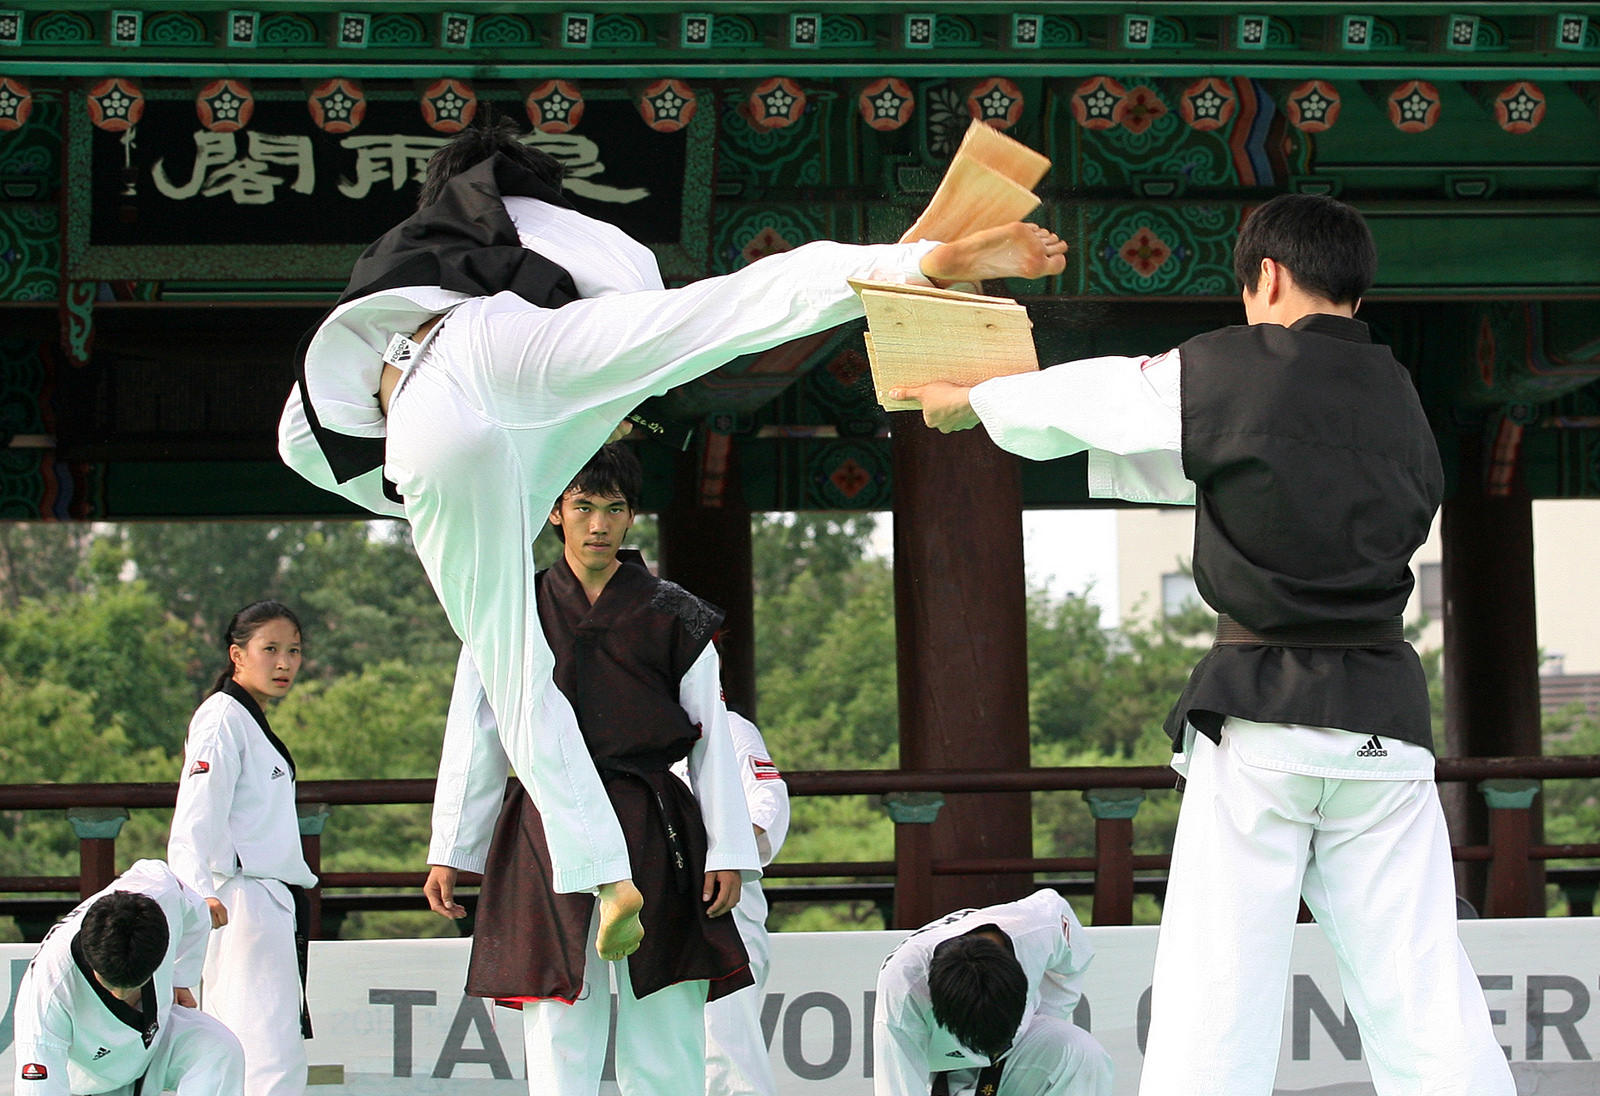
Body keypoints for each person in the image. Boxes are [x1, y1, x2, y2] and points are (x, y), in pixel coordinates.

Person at [278, 115, 1066, 961]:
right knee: (721, 312)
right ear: (539, 184)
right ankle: (911, 264)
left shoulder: (400, 253)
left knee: (508, 667)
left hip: (421, 412)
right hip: (515, 349)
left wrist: (414, 498)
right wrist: (614, 393)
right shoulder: (579, 231)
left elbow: (299, 437)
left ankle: (603, 875)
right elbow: (659, 318)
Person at [892, 194, 1514, 1096]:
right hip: (1386, 724)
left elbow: (1117, 394)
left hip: (1265, 716)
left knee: (1218, 986)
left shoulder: (1241, 367)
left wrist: (971, 401)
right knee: (1422, 987)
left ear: (1268, 275)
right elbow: (1227, 457)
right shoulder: (1403, 400)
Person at [424, 442, 758, 1096]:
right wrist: (452, 849)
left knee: (664, 1013)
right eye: (583, 507)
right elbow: (477, 729)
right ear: (555, 512)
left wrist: (728, 850)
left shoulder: (678, 612)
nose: (598, 524)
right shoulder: (510, 607)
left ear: (632, 516)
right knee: (558, 1018)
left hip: (652, 818)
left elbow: (713, 738)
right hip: (546, 822)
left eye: (613, 508)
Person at [167, 601, 318, 1096]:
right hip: (240, 900)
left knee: (251, 1051)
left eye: (293, 651)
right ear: (237, 655)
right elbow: (194, 820)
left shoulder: (245, 720)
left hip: (261, 900)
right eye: (270, 649)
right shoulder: (222, 719)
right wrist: (197, 899)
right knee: (266, 1055)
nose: (284, 663)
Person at [10, 858, 245, 1096]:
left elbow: (197, 914)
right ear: (89, 959)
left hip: (155, 1046)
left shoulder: (162, 892)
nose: (120, 995)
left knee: (218, 1049)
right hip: (88, 1083)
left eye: (133, 986)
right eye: (109, 984)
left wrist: (181, 978)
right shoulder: (48, 991)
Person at [873, 889, 1111, 1096]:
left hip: (1017, 1045)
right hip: (943, 1071)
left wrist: (1039, 1017)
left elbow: (1074, 960)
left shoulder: (1039, 926)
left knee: (1081, 1054)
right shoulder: (903, 987)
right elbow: (898, 1088)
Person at [673, 709, 791, 1096]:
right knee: (670, 1053)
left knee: (726, 1050)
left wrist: (722, 855)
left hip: (722, 906)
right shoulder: (639, 727)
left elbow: (767, 800)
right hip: (661, 908)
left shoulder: (728, 727)